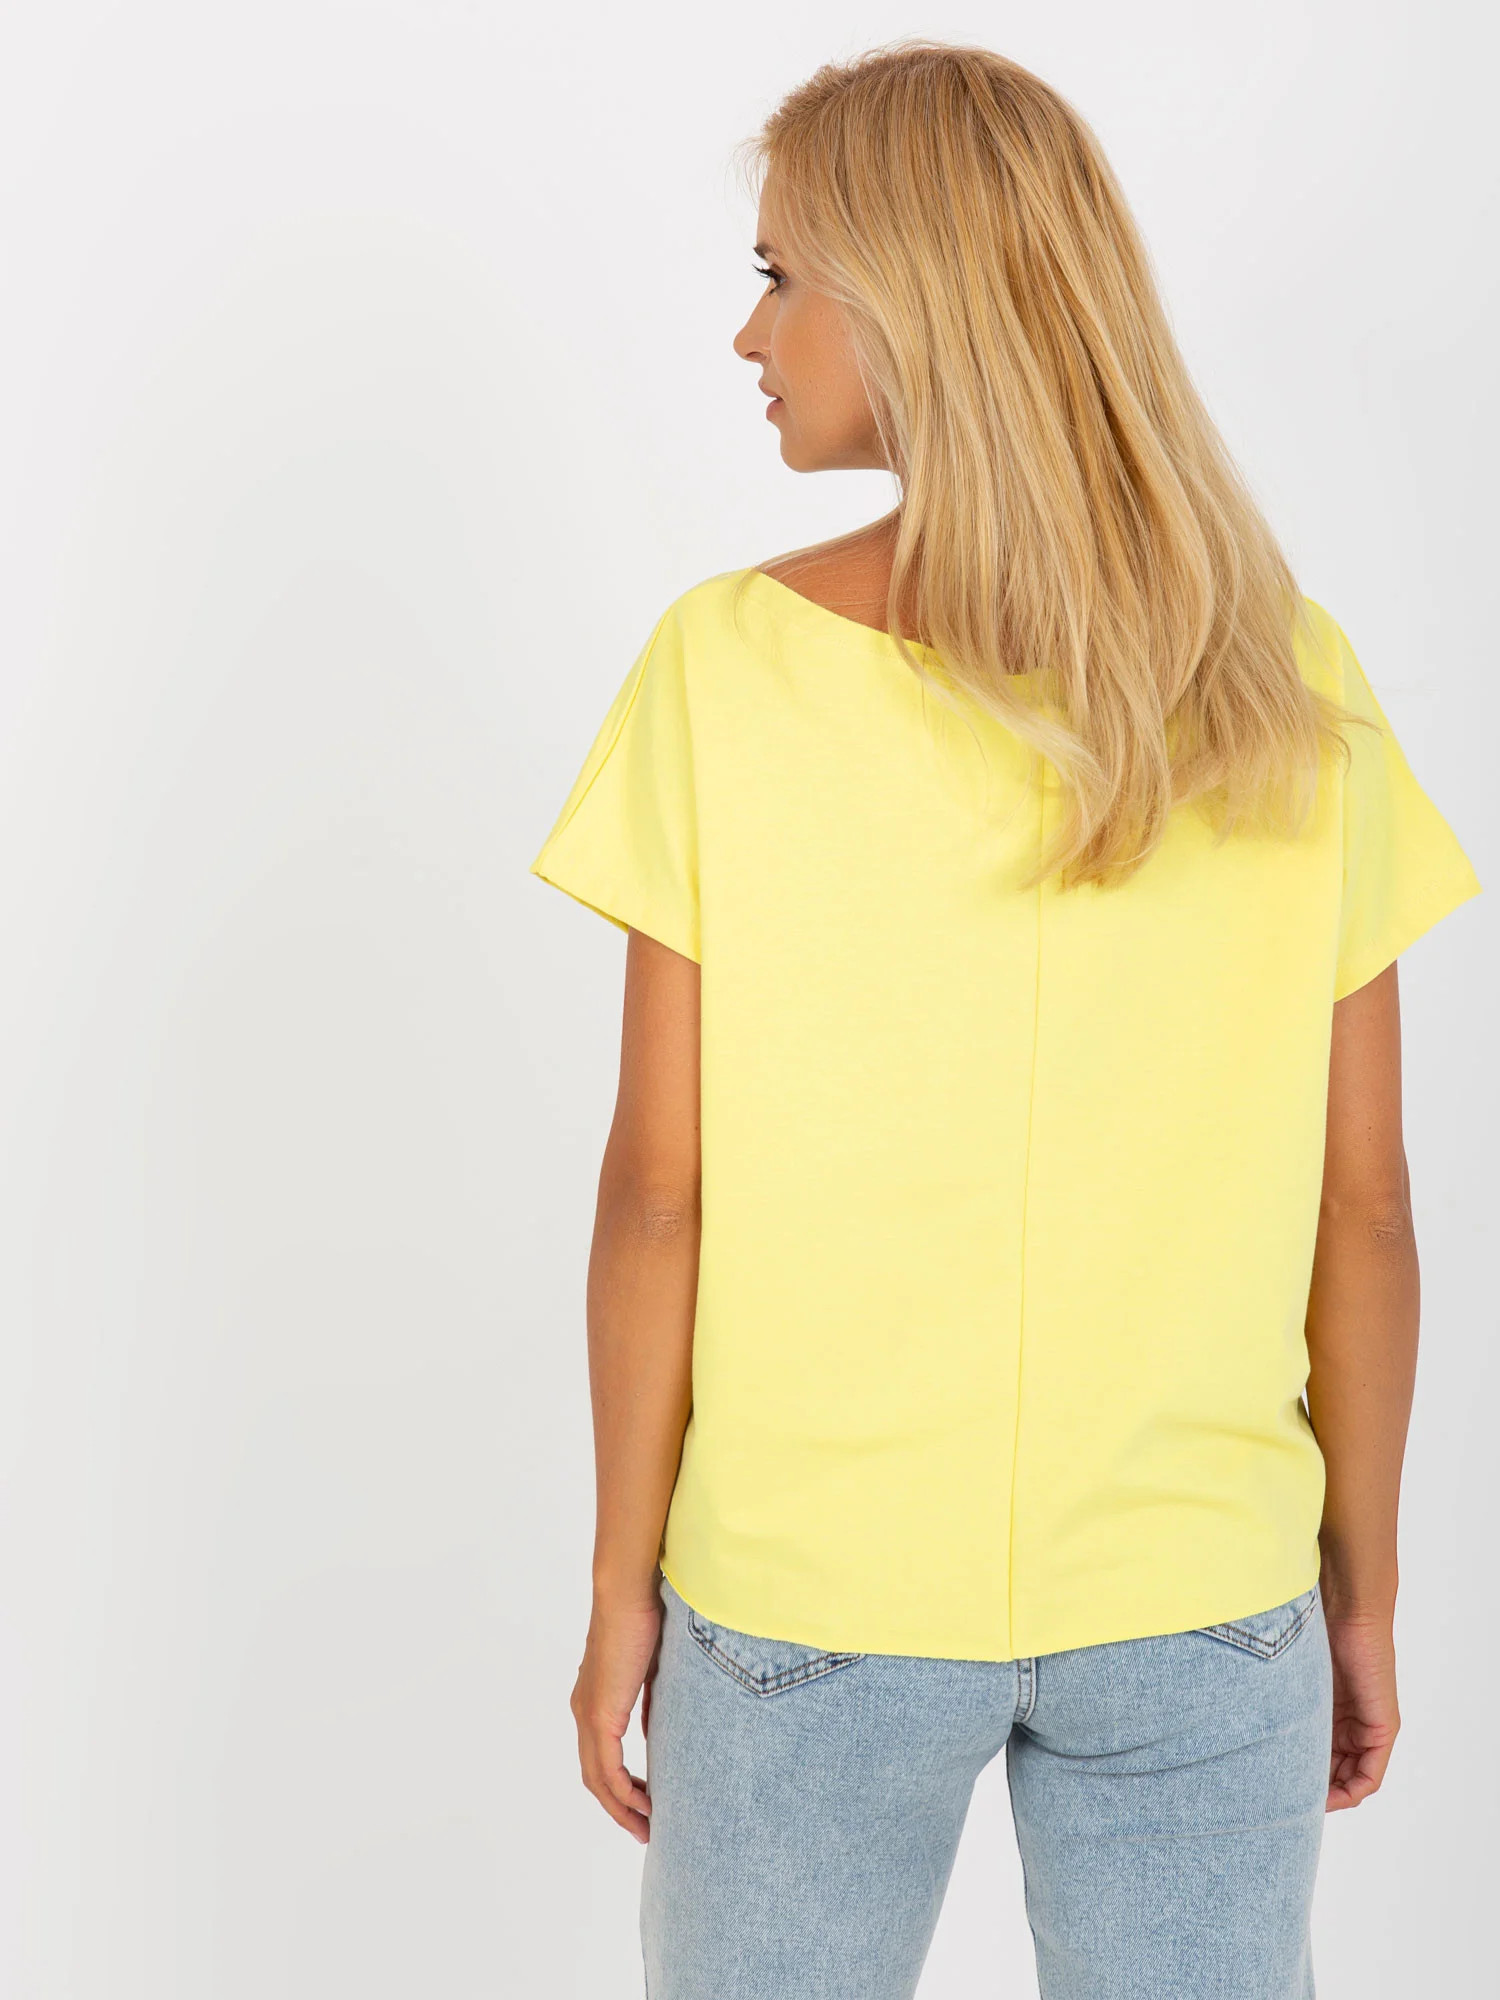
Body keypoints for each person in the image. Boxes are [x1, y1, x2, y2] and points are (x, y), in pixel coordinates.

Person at [527, 41, 1482, 2000]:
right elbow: (1366, 1205)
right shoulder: (1288, 681)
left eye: (783, 274)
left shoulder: (727, 671)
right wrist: (1365, 1587)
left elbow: (656, 1194)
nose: (747, 332)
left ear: (913, 301)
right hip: (1201, 1586)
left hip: (809, 1588)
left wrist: (623, 1583)